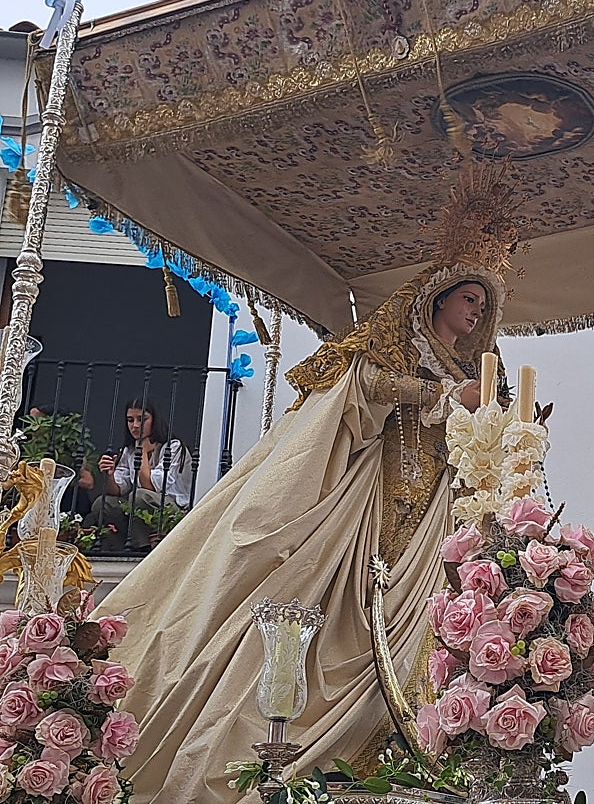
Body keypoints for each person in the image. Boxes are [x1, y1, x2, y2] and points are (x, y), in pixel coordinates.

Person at [94, 250, 509, 803]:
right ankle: (301, 746)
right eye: (468, 298)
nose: (476, 313)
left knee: (422, 623)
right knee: (338, 606)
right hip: (368, 503)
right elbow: (365, 386)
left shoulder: (474, 372)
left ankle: (404, 748)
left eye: (483, 305)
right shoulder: (396, 350)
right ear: (437, 299)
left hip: (430, 516)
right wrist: (440, 396)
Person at [83, 398, 193, 552]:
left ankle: (145, 549)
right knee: (103, 503)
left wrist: (141, 450)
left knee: (140, 495)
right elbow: (117, 490)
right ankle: (129, 547)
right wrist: (109, 474)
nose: (135, 426)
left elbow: (150, 486)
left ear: (154, 420)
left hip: (172, 510)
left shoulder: (173, 447)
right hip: (139, 509)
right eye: (130, 420)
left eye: (142, 419)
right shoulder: (128, 451)